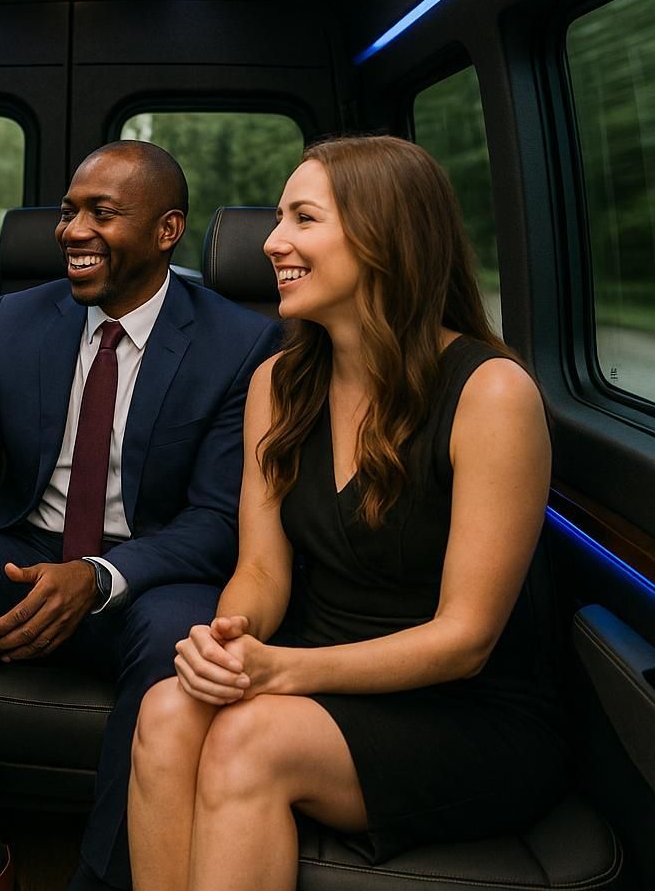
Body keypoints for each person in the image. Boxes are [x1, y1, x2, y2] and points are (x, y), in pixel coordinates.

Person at [0, 140, 281, 891]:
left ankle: (100, 876)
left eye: (101, 213)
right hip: (28, 544)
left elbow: (215, 521)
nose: (72, 230)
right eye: (70, 211)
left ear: (167, 230)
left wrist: (98, 576)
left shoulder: (239, 342)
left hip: (153, 566)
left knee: (183, 632)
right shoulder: (15, 319)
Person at [127, 135, 562, 890]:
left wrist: (280, 673)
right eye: (278, 219)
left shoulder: (491, 394)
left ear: (383, 237)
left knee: (247, 742)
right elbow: (261, 570)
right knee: (168, 711)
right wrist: (231, 641)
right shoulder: (278, 382)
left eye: (302, 218)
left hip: (465, 710)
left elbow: (465, 641)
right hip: (312, 678)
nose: (272, 242)